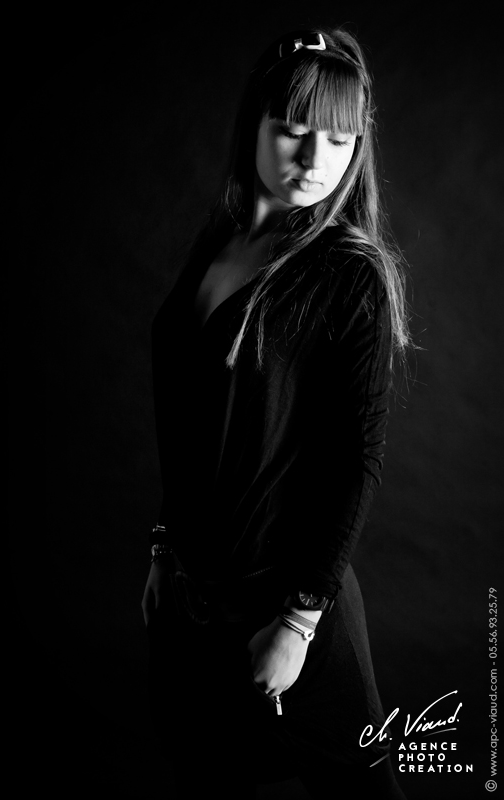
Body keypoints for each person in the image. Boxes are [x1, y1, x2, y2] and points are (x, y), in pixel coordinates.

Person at [142, 26, 410, 800]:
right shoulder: (221, 241)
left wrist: (298, 624)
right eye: (293, 130)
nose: (313, 159)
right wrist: (163, 548)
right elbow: (192, 423)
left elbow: (355, 461)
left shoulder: (348, 275)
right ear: (254, 124)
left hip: (286, 603)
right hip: (195, 604)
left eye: (337, 139)